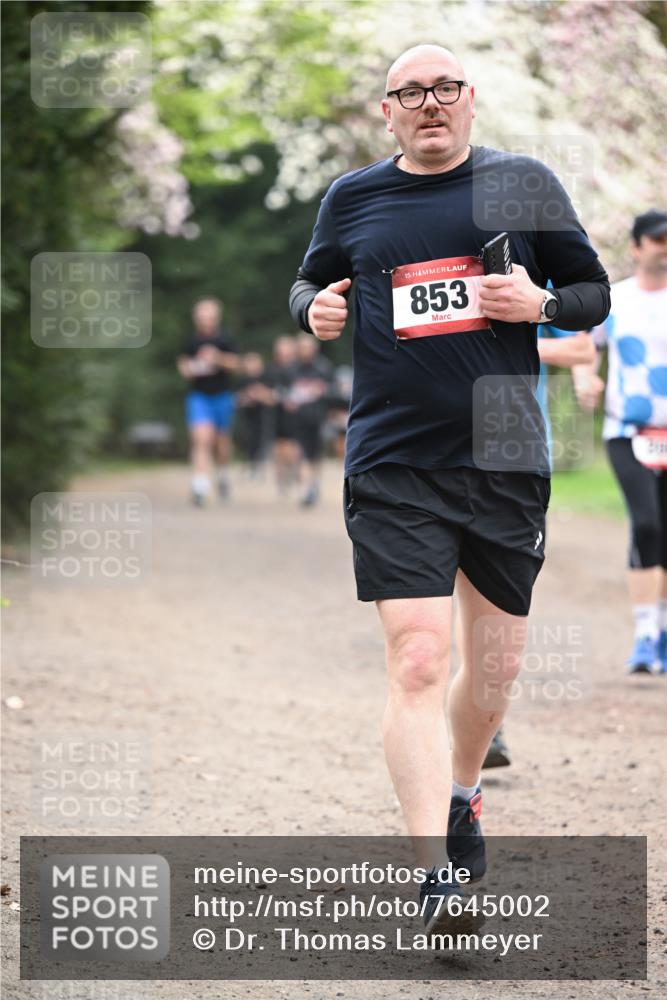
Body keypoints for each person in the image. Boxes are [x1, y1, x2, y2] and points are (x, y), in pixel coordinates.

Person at [289, 44, 610, 933]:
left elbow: (591, 291)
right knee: (420, 657)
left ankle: (464, 790)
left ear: (470, 102)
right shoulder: (354, 196)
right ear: (386, 112)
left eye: (443, 90)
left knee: (495, 666)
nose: (428, 105)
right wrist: (311, 309)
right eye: (408, 94)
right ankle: (434, 874)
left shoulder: (521, 184)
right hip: (394, 457)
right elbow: (311, 281)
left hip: (505, 454)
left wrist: (538, 306)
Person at [483, 312, 596, 770]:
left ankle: (488, 720)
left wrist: (516, 346)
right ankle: (471, 719)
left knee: (495, 596)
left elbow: (582, 348)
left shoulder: (523, 260)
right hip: (433, 453)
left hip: (514, 454)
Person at [572, 209, 667, 674]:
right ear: (635, 247)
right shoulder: (616, 300)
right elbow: (585, 348)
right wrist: (585, 379)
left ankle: (661, 627)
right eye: (656, 239)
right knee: (646, 525)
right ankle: (646, 635)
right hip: (627, 432)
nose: (663, 246)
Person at [177, 298, 240, 506]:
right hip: (199, 396)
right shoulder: (191, 341)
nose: (204, 320)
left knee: (221, 443)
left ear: (216, 318)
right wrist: (188, 368)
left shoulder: (225, 338)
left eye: (208, 316)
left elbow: (236, 364)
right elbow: (183, 363)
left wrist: (217, 358)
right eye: (200, 316)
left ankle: (222, 476)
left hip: (222, 395)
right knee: (201, 438)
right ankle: (200, 486)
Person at [290, 333, 335, 507]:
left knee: (316, 454)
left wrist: (322, 392)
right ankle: (306, 489)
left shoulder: (324, 367)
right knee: (302, 453)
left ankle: (314, 484)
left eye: (308, 347)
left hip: (319, 417)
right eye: (302, 347)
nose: (305, 351)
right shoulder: (292, 369)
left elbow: (334, 392)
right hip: (298, 419)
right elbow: (284, 391)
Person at [265, 336, 300, 496]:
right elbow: (265, 392)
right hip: (277, 415)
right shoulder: (272, 371)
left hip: (296, 416)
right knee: (278, 449)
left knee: (292, 448)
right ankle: (281, 481)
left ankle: (294, 473)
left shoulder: (298, 371)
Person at [235, 352, 274, 477]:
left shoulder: (267, 378)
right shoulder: (242, 381)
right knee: (249, 441)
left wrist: (260, 394)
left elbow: (272, 398)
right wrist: (246, 397)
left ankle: (260, 466)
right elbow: (237, 399)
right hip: (247, 416)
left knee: (262, 441)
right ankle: (252, 466)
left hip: (264, 416)